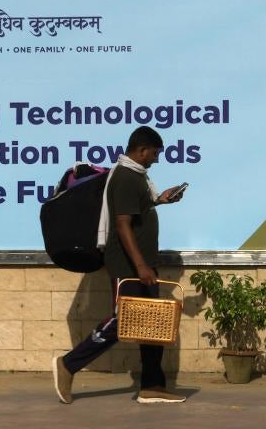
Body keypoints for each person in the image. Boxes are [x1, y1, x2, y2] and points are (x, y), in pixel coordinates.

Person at [52, 126, 186, 404]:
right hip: (129, 266)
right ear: (141, 150)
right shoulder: (126, 177)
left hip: (141, 264)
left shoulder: (137, 177)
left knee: (151, 323)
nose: (156, 159)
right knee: (122, 321)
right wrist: (140, 266)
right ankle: (68, 364)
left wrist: (158, 201)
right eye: (154, 153)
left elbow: (137, 213)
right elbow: (122, 225)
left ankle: (152, 385)